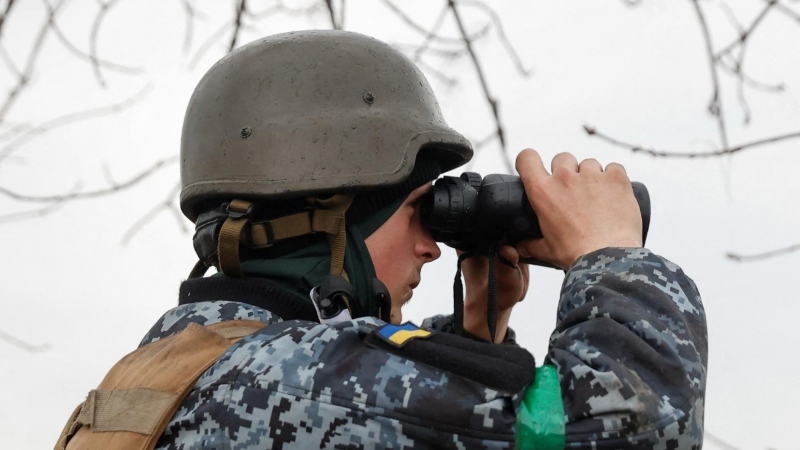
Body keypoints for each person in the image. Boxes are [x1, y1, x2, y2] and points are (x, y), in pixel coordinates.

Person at [56, 30, 706, 450]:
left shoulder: (173, 370)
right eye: (421, 211)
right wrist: (613, 256)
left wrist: (476, 331)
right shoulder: (294, 379)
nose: (431, 247)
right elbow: (629, 430)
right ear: (332, 216)